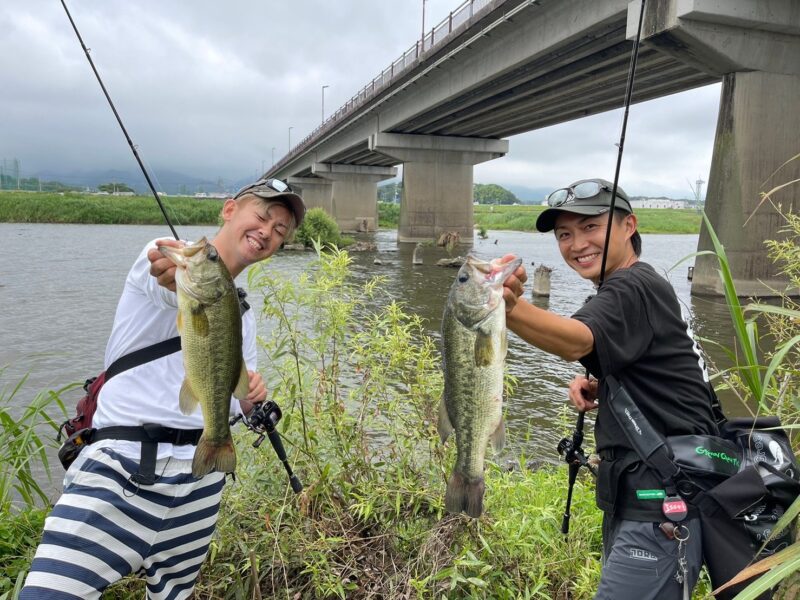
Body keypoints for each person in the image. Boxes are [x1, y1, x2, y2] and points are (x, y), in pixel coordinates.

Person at [21, 178, 306, 600]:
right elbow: (168, 283)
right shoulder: (167, 258)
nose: (268, 231)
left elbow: (234, 397)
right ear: (229, 210)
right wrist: (180, 272)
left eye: (280, 230)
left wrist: (250, 400)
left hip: (199, 485)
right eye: (262, 216)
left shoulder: (244, 314)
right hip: (120, 468)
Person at [500, 178, 719, 600]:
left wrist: (504, 305)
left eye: (590, 227)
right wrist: (605, 384)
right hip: (654, 498)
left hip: (660, 507)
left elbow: (577, 339)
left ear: (628, 226)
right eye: (565, 234)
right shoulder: (642, 285)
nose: (576, 243)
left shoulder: (632, 286)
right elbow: (669, 377)